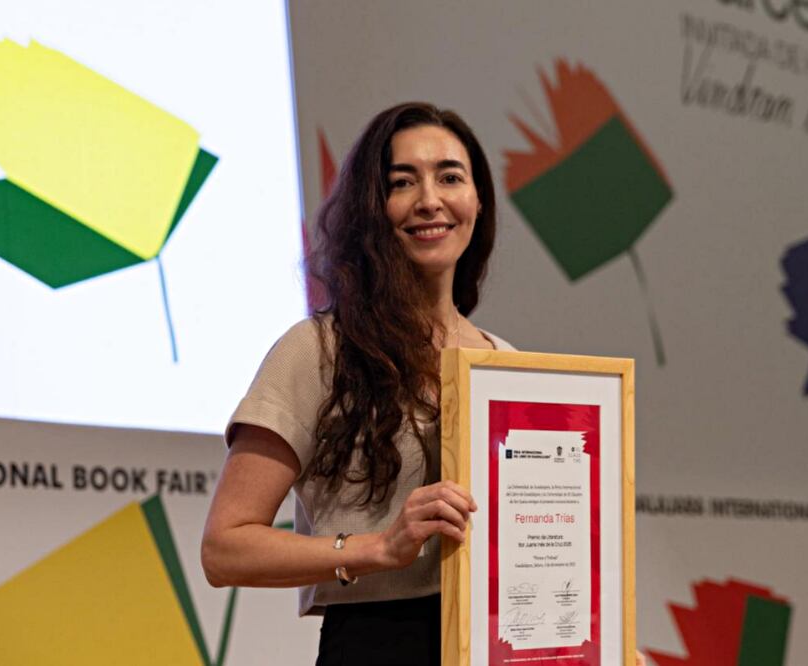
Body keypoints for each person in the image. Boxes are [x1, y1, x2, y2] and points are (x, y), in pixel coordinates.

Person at [201, 102, 647, 666]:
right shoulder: (317, 350)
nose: (429, 200)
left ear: (478, 201)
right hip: (376, 645)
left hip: (496, 648)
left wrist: (603, 640)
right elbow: (224, 549)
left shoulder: (505, 365)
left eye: (450, 177)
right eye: (402, 182)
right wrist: (381, 547)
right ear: (372, 208)